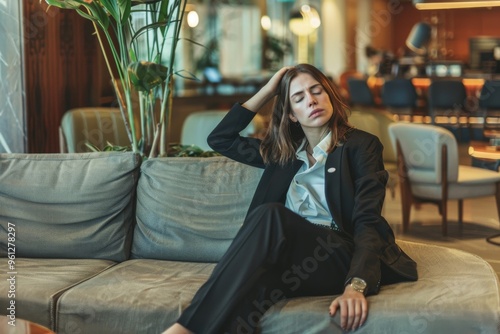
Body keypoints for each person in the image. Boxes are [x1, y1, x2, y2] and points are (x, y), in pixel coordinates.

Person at [163, 64, 417, 334]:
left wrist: (356, 284)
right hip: (292, 258)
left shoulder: (361, 146)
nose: (311, 100)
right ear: (292, 115)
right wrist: (268, 90)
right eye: (298, 98)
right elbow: (220, 139)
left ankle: (181, 330)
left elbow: (368, 219)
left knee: (269, 215)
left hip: (339, 252)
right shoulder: (281, 155)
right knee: (247, 295)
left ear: (329, 95)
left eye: (317, 91)